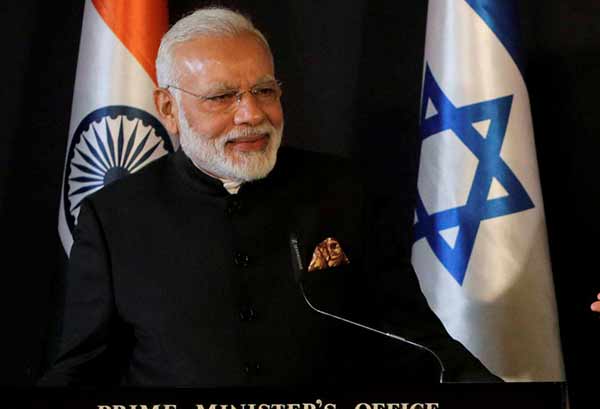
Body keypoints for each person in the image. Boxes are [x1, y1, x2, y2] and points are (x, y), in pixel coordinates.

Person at [39, 7, 499, 386]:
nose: (252, 114)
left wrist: (503, 407)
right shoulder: (114, 218)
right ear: (168, 109)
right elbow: (81, 371)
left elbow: (415, 340)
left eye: (264, 90)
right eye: (222, 97)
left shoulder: (342, 191)